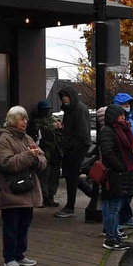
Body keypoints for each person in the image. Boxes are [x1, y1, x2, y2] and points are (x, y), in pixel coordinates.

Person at [0, 106, 47, 266]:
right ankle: (9, 257)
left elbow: (42, 158)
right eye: (22, 119)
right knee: (11, 225)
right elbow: (5, 163)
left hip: (28, 188)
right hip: (11, 191)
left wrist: (36, 159)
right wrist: (30, 156)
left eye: (26, 119)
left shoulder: (27, 138)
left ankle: (20, 254)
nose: (25, 122)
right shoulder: (4, 139)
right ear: (13, 121)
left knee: (24, 223)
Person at [96, 104, 133, 251]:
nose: (123, 117)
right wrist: (121, 166)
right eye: (120, 115)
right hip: (114, 174)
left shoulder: (119, 129)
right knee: (113, 206)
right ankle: (111, 238)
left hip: (119, 173)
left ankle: (113, 235)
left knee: (112, 205)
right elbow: (108, 152)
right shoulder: (108, 131)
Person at [54, 86, 92, 219]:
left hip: (76, 148)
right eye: (62, 96)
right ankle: (93, 195)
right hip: (71, 147)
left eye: (66, 96)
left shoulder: (79, 109)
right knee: (71, 175)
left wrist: (72, 145)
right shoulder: (70, 110)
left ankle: (71, 206)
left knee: (72, 175)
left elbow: (82, 132)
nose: (64, 99)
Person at [113, 92, 133, 229]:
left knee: (129, 191)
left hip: (131, 161)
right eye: (124, 104)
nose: (127, 106)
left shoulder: (131, 121)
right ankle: (118, 220)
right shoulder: (116, 124)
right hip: (123, 162)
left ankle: (125, 217)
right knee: (121, 192)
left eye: (128, 104)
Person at [32, 101, 63, 207]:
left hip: (55, 151)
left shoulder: (54, 119)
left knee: (54, 176)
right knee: (44, 176)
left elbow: (61, 133)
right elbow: (39, 130)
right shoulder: (37, 121)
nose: (47, 111)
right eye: (45, 109)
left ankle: (50, 196)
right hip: (45, 152)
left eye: (48, 109)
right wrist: (51, 126)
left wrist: (59, 127)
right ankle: (43, 197)